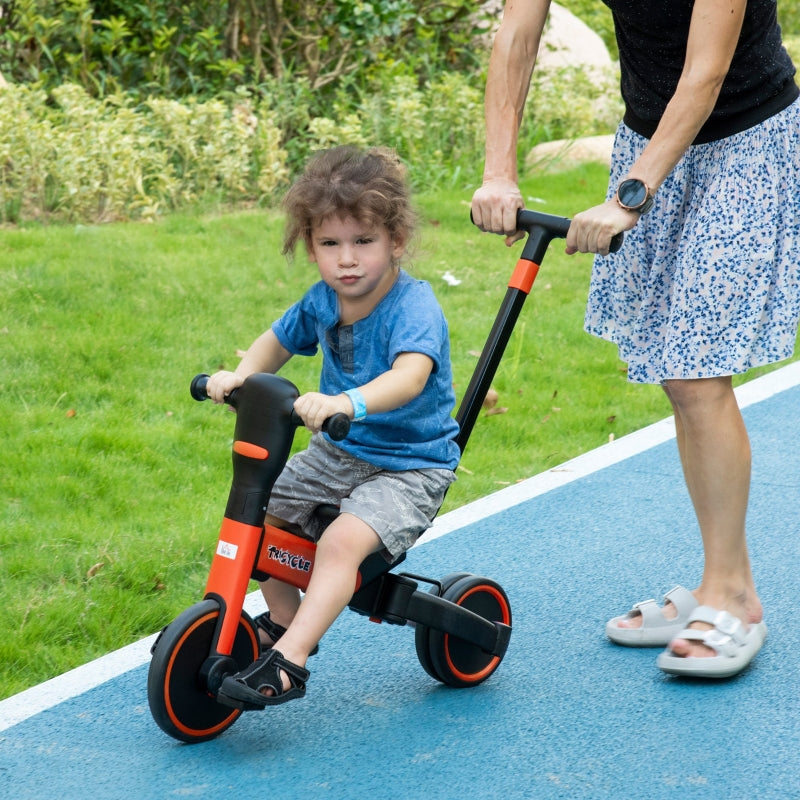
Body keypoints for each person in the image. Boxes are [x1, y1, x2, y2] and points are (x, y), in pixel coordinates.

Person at [471, 0, 799, 679]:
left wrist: (630, 195)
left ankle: (733, 593)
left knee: (697, 371)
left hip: (745, 141)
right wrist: (498, 170)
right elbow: (517, 33)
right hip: (650, 135)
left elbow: (704, 74)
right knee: (680, 379)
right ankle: (718, 583)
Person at [206, 145, 460, 707]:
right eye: (330, 244)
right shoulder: (322, 301)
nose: (347, 259)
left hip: (410, 465)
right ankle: (283, 617)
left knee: (342, 542)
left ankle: (291, 661)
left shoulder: (413, 306)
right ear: (310, 246)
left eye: (363, 242)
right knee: (259, 508)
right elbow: (276, 341)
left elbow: (410, 377)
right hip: (339, 453)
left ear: (395, 241)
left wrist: (347, 401)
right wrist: (242, 377)